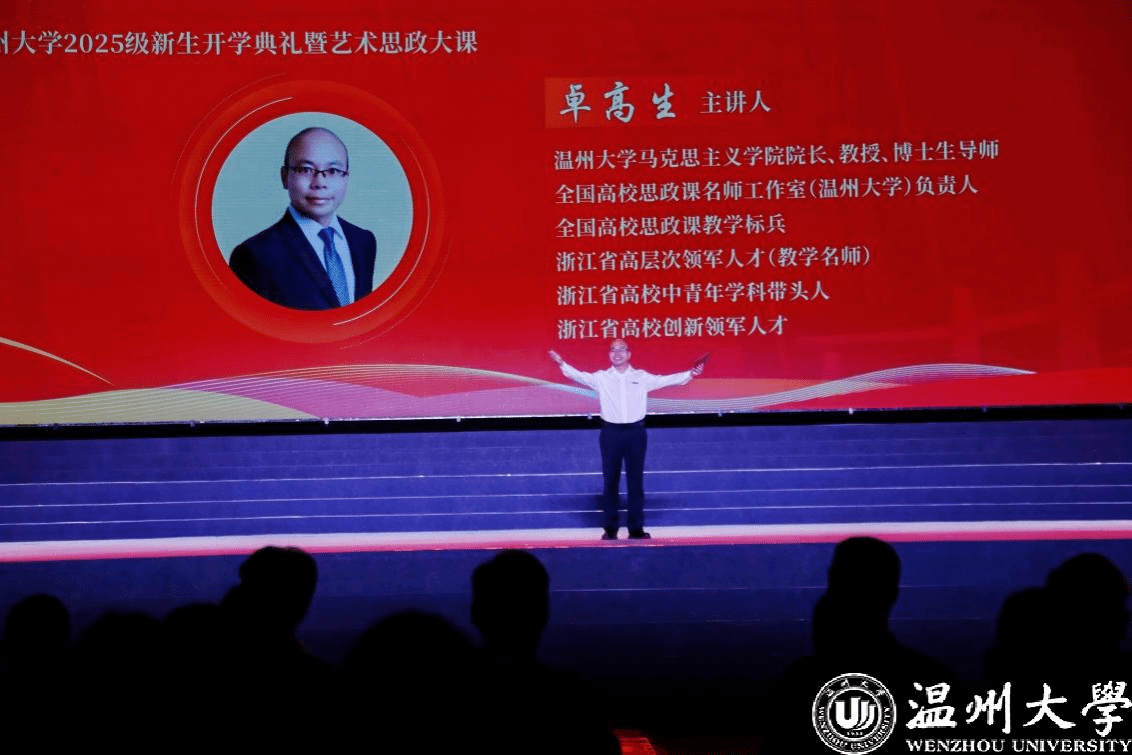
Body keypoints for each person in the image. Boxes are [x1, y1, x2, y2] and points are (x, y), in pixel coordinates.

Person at [548, 339, 704, 540]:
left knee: (635, 482)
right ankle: (610, 529)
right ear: (609, 355)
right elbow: (577, 375)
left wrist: (691, 374)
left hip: (635, 433)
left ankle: (636, 529)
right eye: (613, 350)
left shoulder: (641, 377)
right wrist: (561, 363)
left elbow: (667, 380)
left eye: (622, 350)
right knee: (610, 481)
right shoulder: (601, 378)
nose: (617, 353)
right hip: (610, 433)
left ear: (629, 354)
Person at [229, 127, 377, 310]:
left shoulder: (364, 242)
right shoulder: (255, 255)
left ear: (346, 177)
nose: (319, 183)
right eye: (306, 170)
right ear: (285, 177)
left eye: (333, 171)